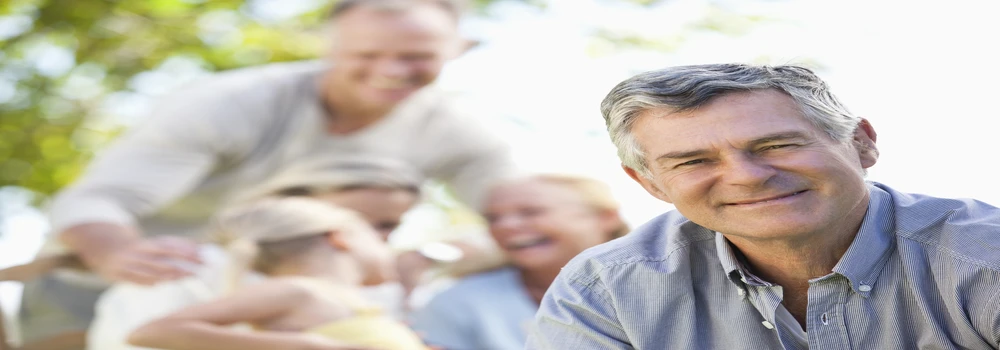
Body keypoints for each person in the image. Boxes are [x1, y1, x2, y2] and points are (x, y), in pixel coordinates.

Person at [20, 0, 514, 343]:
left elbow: (522, 217)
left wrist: (433, 255)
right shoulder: (231, 103)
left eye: (416, 57)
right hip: (128, 278)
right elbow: (94, 200)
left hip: (284, 298)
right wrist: (117, 251)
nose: (390, 69)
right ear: (330, 47)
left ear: (458, 49)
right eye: (366, 54)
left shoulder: (459, 131)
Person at [526, 63, 1000, 349]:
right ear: (651, 184)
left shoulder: (985, 259)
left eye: (776, 145)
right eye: (693, 160)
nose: (747, 176)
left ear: (861, 142)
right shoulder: (605, 289)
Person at [86, 157, 423, 350]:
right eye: (366, 223)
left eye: (391, 225)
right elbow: (149, 334)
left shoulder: (372, 296)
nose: (385, 239)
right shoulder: (193, 271)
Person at [127, 197, 428, 350]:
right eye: (375, 234)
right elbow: (152, 332)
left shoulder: (356, 304)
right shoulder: (298, 290)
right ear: (339, 238)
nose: (387, 245)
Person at [409, 174, 628, 349]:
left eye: (531, 212)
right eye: (492, 218)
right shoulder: (457, 302)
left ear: (606, 218)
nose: (504, 226)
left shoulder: (655, 286)